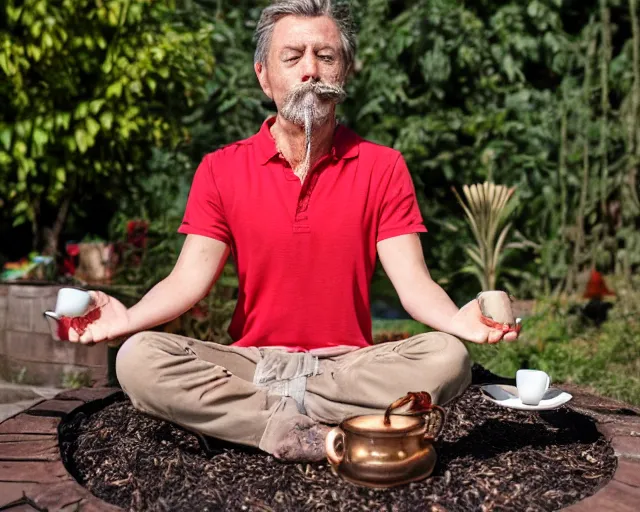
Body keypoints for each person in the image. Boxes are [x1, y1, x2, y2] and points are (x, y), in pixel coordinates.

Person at [57, 0, 519, 462]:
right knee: (138, 358)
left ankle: (263, 420)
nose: (310, 70)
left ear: (346, 72)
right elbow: (186, 281)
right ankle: (310, 427)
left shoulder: (384, 166)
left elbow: (414, 286)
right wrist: (126, 319)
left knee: (448, 356)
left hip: (347, 368)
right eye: (292, 56)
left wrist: (459, 322)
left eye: (326, 56)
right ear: (263, 76)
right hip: (251, 364)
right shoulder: (221, 169)